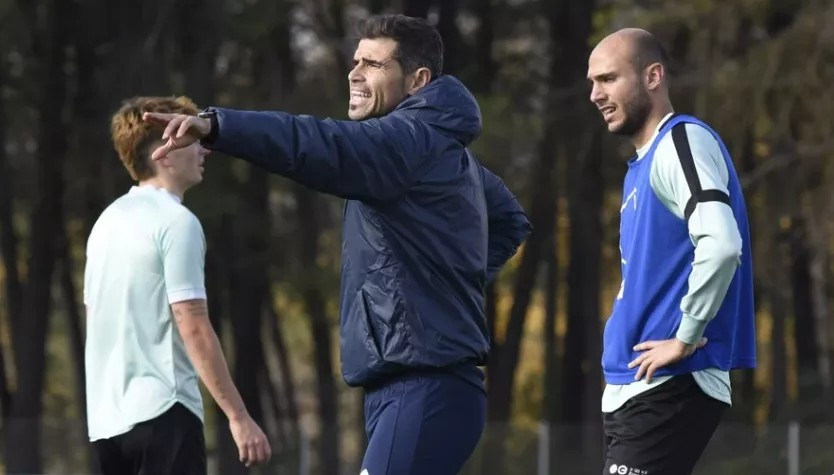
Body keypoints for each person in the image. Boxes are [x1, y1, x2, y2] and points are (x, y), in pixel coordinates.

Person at [143, 14, 532, 475]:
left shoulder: (404, 143)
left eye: (372, 64)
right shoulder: (439, 150)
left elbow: (315, 142)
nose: (354, 73)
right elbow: (509, 221)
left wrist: (217, 126)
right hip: (413, 389)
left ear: (417, 81)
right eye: (355, 61)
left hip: (423, 388)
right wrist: (449, 281)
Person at [587, 28, 757, 474]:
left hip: (671, 384)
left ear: (653, 76)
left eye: (607, 79)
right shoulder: (642, 166)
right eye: (591, 82)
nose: (594, 94)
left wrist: (685, 336)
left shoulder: (680, 141)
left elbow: (721, 244)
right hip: (636, 386)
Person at [83, 96, 271, 475]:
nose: (204, 149)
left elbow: (95, 320)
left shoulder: (105, 224)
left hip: (105, 427)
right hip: (165, 413)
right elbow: (193, 325)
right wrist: (238, 417)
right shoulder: (176, 222)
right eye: (191, 140)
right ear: (164, 152)